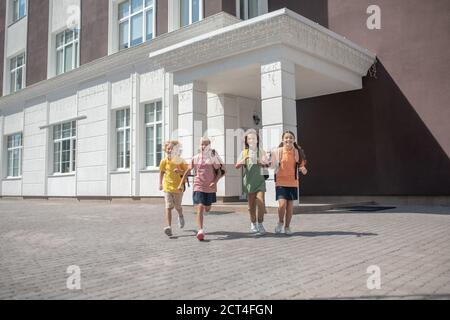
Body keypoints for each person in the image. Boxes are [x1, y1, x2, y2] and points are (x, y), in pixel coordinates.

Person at [179, 137, 225, 241]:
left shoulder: (213, 158)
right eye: (202, 144)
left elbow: (219, 172)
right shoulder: (195, 158)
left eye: (206, 144)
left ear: (209, 146)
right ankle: (200, 230)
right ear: (199, 146)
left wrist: (215, 182)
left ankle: (206, 207)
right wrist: (181, 183)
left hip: (209, 187)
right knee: (200, 206)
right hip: (198, 185)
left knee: (207, 208)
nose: (203, 146)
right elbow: (188, 171)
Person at [271, 131, 307, 235]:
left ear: (294, 140)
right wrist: (267, 161)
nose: (288, 139)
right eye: (286, 138)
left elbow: (301, 166)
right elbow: (271, 164)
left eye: (291, 138)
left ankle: (287, 227)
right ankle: (280, 222)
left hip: (292, 182)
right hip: (280, 182)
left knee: (290, 206)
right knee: (282, 205)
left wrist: (303, 169)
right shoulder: (277, 152)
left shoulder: (297, 152)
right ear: (283, 140)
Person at [235, 130, 269, 235]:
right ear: (246, 141)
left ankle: (260, 223)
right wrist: (245, 158)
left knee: (261, 202)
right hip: (249, 182)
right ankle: (253, 223)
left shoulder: (261, 151)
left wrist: (260, 161)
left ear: (257, 140)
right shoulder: (244, 152)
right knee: (251, 206)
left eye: (253, 138)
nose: (251, 140)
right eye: (249, 138)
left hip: (260, 181)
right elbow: (237, 166)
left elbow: (266, 164)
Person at [159, 141, 188, 237]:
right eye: (168, 148)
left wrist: (179, 170)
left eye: (172, 148)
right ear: (165, 150)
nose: (170, 150)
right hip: (167, 187)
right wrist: (160, 183)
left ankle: (180, 215)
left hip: (178, 187)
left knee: (177, 207)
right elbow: (162, 172)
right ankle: (169, 227)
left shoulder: (181, 161)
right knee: (168, 207)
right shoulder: (163, 161)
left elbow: (187, 172)